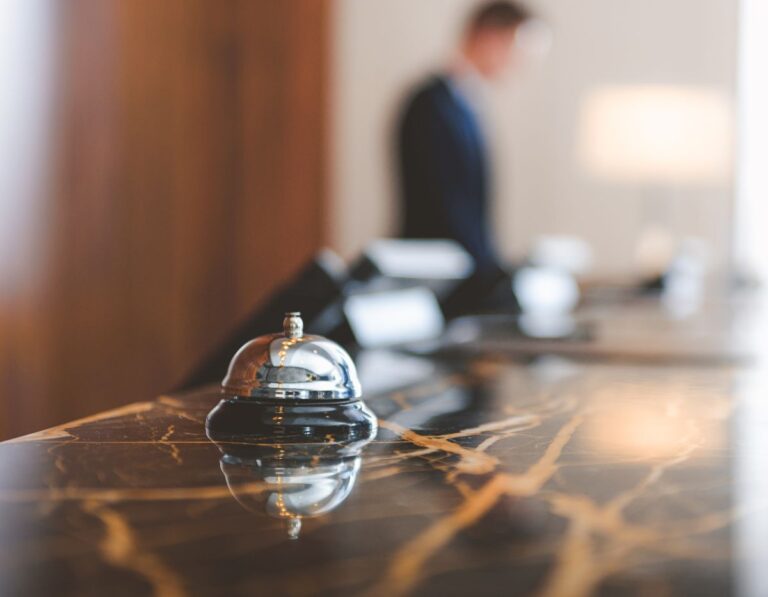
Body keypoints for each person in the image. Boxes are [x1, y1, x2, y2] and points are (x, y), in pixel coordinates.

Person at [397, 1, 531, 277]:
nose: (521, 63)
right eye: (517, 49)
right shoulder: (431, 105)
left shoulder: (467, 104)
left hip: (462, 267)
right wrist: (486, 273)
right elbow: (445, 205)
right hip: (437, 270)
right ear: (488, 38)